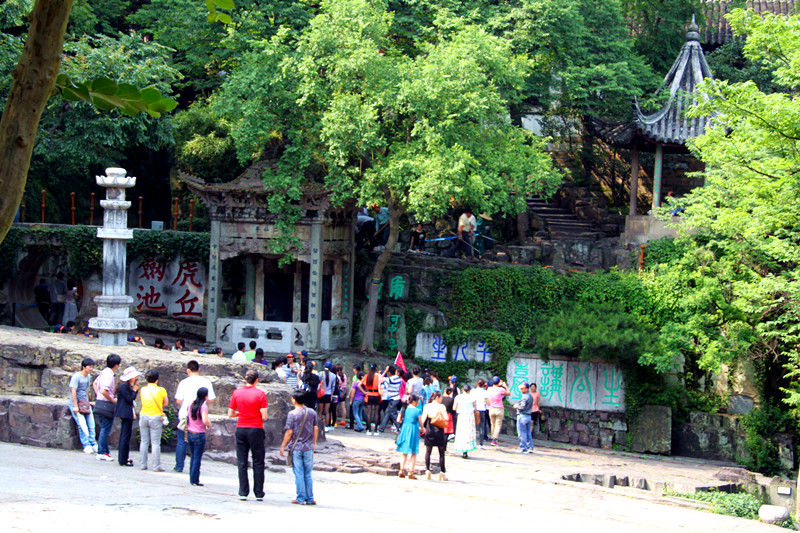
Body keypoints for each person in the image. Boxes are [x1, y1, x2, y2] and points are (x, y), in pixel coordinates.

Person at [228, 369, 268, 501]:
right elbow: (265, 416)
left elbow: (230, 413)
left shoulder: (237, 392)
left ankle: (243, 491)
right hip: (255, 428)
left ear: (246, 378)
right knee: (258, 461)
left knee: (242, 461)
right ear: (257, 380)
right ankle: (258, 492)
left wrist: (241, 413)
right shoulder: (261, 394)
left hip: (241, 427)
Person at [174, 360, 217, 473]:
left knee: (182, 440)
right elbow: (211, 399)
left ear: (188, 370)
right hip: (200, 414)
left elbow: (179, 401)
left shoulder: (183, 382)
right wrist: (201, 405)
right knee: (197, 444)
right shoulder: (206, 382)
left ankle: (179, 466)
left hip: (184, 414)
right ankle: (194, 469)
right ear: (199, 369)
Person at [279, 389, 319, 505]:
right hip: (308, 447)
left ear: (294, 400)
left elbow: (289, 432)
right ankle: (310, 498)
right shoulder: (312, 412)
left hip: (296, 447)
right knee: (308, 474)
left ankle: (300, 498)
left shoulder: (292, 414)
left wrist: (283, 446)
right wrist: (314, 443)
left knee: (299, 473)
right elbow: (315, 428)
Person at [139, 369, 168, 471]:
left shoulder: (143, 389)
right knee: (155, 443)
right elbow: (166, 403)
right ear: (157, 380)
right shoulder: (161, 390)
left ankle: (143, 464)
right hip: (155, 416)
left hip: (143, 415)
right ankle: (156, 466)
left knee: (144, 441)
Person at [93, 353, 120, 461]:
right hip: (106, 405)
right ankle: (101, 452)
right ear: (116, 365)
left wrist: (98, 395)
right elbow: (104, 390)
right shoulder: (109, 375)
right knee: (105, 429)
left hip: (99, 403)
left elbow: (95, 383)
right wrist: (112, 399)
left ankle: (105, 451)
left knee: (103, 428)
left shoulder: (103, 372)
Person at [69, 357, 97, 454]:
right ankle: (86, 444)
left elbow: (86, 390)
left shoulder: (88, 377)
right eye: (89, 367)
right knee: (82, 425)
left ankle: (93, 443)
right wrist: (75, 406)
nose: (91, 369)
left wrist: (88, 402)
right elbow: (73, 391)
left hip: (84, 403)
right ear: (84, 367)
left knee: (91, 424)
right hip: (76, 403)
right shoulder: (77, 376)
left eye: (92, 367)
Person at [115, 366, 141, 467]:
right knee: (125, 436)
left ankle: (124, 457)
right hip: (125, 412)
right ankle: (123, 459)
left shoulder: (124, 386)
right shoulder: (123, 386)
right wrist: (134, 390)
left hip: (126, 412)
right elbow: (130, 398)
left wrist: (135, 389)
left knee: (125, 436)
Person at [420, 391, 448, 481]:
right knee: (441, 452)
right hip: (439, 430)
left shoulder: (427, 406)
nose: (442, 399)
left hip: (429, 429)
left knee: (428, 451)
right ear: (437, 397)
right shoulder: (441, 407)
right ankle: (442, 472)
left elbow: (423, 418)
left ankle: (427, 470)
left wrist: (421, 428)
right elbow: (446, 417)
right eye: (441, 397)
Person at [187, 387, 211, 486]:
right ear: (205, 396)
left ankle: (192, 477)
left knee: (193, 456)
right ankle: (194, 479)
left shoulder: (191, 404)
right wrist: (209, 424)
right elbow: (205, 420)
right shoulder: (203, 407)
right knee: (197, 457)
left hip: (190, 432)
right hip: (199, 434)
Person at [395, 395, 423, 479]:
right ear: (414, 402)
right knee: (413, 452)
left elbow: (398, 420)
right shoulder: (417, 411)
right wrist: (422, 429)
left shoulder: (404, 409)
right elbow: (421, 423)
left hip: (404, 429)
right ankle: (411, 472)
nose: (418, 403)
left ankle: (401, 470)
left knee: (404, 452)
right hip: (413, 430)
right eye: (417, 401)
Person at [453, 384, 477, 459]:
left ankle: (462, 448)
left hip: (461, 416)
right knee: (468, 432)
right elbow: (474, 406)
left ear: (463, 389)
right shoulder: (472, 397)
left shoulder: (458, 397)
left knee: (461, 432)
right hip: (470, 416)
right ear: (469, 390)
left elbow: (454, 407)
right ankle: (466, 451)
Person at [378, 366, 403, 434]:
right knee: (387, 412)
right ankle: (381, 428)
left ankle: (399, 427)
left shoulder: (391, 379)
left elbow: (380, 379)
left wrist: (385, 370)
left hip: (393, 398)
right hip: (396, 398)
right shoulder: (399, 379)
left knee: (393, 414)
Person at [487, 376, 510, 446]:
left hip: (491, 408)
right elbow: (508, 393)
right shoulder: (500, 389)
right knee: (498, 425)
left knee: (492, 424)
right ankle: (494, 439)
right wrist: (505, 386)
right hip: (499, 408)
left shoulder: (489, 389)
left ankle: (492, 437)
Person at [359, 363, 382, 435]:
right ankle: (375, 431)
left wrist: (364, 392)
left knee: (369, 412)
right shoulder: (378, 376)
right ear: (376, 368)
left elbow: (359, 385)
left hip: (369, 395)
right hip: (377, 395)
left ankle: (368, 430)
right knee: (376, 413)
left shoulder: (367, 376)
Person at [514, 382, 534, 454]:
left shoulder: (525, 397)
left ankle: (523, 448)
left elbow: (522, 407)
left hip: (522, 416)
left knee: (522, 433)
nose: (520, 389)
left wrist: (516, 406)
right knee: (528, 432)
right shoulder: (530, 396)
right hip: (528, 416)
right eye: (520, 388)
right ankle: (530, 447)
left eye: (522, 388)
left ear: (526, 389)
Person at [318, 361, 336, 431]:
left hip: (321, 394)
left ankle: (320, 425)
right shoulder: (333, 376)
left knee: (320, 411)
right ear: (331, 368)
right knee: (327, 411)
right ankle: (327, 426)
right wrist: (331, 394)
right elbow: (333, 386)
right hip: (328, 394)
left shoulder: (320, 374)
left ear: (323, 366)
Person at [472, 379, 489, 448]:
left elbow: (473, 402)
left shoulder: (473, 391)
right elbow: (488, 402)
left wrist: (475, 408)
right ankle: (481, 443)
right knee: (482, 426)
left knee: (473, 426)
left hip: (475, 410)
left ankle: (473, 442)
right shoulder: (485, 392)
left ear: (477, 384)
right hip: (482, 410)